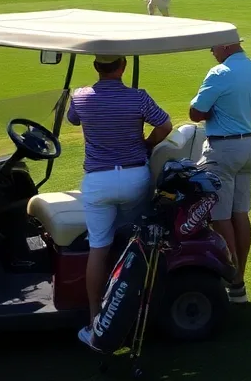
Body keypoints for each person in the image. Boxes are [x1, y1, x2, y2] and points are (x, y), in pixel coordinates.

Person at [67, 55, 172, 342]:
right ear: (122, 67)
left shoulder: (81, 96)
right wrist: (146, 144)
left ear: (96, 68)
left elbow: (72, 118)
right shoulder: (137, 97)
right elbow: (164, 125)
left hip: (98, 181)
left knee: (99, 247)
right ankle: (132, 310)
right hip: (134, 177)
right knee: (133, 243)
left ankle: (96, 319)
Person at [189, 42, 251, 304]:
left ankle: (233, 278)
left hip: (223, 149)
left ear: (224, 46)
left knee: (220, 216)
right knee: (239, 213)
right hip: (248, 145)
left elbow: (196, 112)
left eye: (214, 47)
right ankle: (239, 277)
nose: (211, 51)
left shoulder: (219, 73)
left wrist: (214, 109)